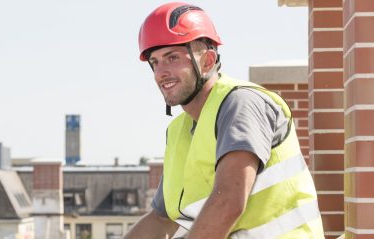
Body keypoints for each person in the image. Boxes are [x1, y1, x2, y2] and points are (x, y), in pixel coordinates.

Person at [124, 2, 325, 239]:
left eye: (172, 57)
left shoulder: (241, 103)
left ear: (208, 61)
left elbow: (228, 201)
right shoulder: (178, 130)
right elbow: (161, 219)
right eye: (155, 62)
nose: (161, 72)